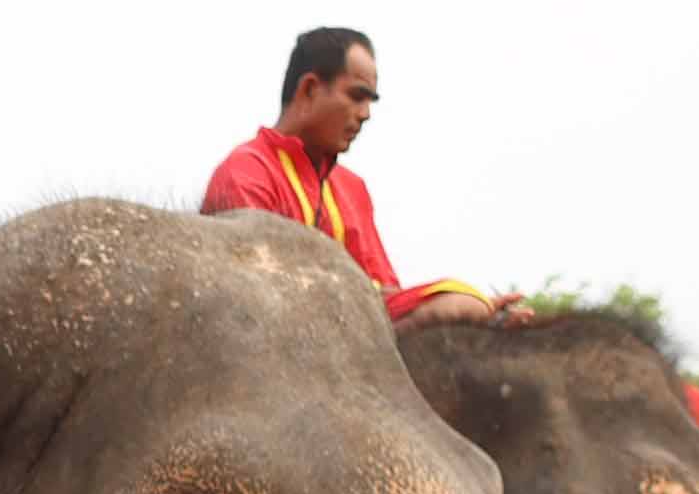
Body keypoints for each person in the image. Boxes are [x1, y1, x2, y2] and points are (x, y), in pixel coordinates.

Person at [201, 30, 499, 321]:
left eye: (370, 102)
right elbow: (257, 300)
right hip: (280, 348)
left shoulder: (351, 187)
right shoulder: (245, 173)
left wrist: (481, 314)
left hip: (357, 343)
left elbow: (382, 292)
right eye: (357, 97)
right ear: (309, 89)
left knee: (466, 304)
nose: (366, 114)